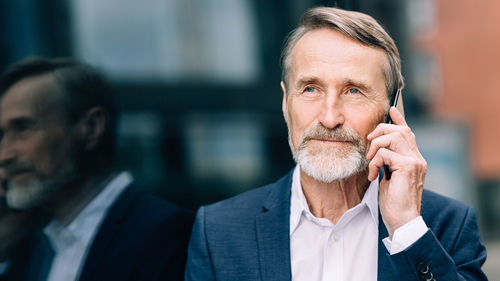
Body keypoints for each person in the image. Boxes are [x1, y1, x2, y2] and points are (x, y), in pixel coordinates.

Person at [185, 6, 487, 281]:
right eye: (310, 89)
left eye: (353, 91)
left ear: (393, 109)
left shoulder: (446, 225)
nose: (329, 118)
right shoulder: (217, 231)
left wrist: (407, 229)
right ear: (284, 101)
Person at [0, 57, 194, 281]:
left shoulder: (163, 232)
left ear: (91, 128)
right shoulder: (31, 246)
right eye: (2, 135)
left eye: (23, 129)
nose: (4, 155)